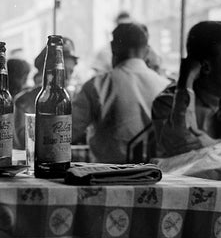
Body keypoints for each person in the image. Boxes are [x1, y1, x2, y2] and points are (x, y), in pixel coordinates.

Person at [153, 21, 221, 157]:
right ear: (205, 66)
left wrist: (216, 144)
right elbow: (181, 149)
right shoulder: (168, 102)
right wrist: (185, 83)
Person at [72, 22, 171, 163]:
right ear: (147, 50)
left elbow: (67, 131)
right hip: (157, 178)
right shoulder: (166, 87)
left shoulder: (97, 86)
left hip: (107, 179)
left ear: (112, 47)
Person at [13, 37, 79, 149]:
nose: (66, 77)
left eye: (70, 71)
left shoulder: (73, 98)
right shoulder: (24, 101)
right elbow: (23, 140)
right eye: (62, 71)